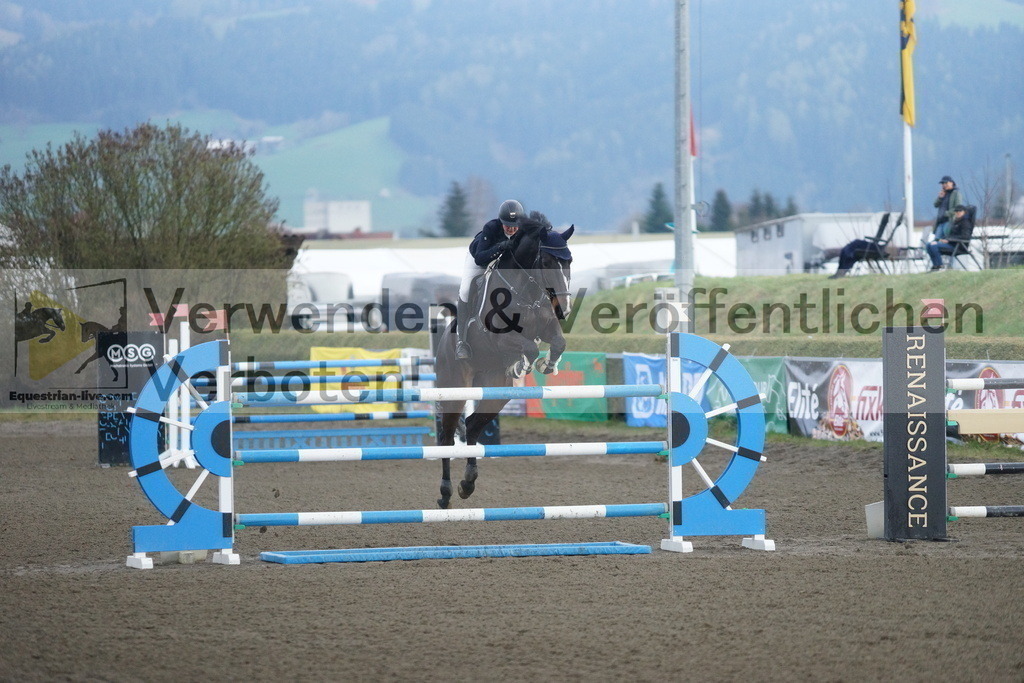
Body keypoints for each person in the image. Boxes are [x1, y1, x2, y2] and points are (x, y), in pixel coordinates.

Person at [454, 199, 525, 359]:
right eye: (508, 225)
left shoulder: (523, 231)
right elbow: (480, 258)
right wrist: (499, 247)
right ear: (501, 222)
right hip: (479, 259)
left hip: (502, 264)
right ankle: (461, 341)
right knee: (465, 290)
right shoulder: (491, 228)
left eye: (515, 226)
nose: (512, 229)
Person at [926, 204, 973, 271]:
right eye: (956, 211)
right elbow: (951, 235)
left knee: (934, 246)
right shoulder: (955, 222)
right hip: (951, 244)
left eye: (960, 211)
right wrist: (944, 239)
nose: (958, 213)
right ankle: (935, 265)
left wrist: (950, 240)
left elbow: (965, 237)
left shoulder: (966, 223)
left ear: (964, 212)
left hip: (958, 246)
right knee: (928, 245)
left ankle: (939, 265)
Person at [932, 175, 964, 240]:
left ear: (951, 183)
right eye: (942, 184)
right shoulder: (943, 193)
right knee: (936, 241)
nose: (944, 185)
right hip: (940, 222)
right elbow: (935, 205)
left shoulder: (956, 193)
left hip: (949, 221)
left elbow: (958, 208)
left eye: (946, 183)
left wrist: (946, 213)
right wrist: (940, 197)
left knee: (947, 239)